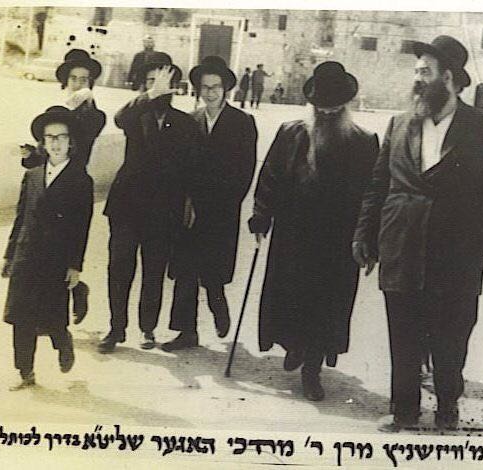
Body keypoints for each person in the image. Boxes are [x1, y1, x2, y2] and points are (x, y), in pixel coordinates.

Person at [353, 36, 483, 431]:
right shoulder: (399, 123)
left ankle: (447, 408)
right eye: (416, 71)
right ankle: (404, 411)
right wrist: (364, 235)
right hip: (401, 244)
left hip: (458, 250)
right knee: (403, 331)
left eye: (425, 72)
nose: (417, 79)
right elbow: (378, 184)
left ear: (448, 78)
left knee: (452, 334)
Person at [248, 62, 379, 401]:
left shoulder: (364, 142)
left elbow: (372, 194)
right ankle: (295, 346)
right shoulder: (290, 132)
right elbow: (270, 177)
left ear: (345, 106)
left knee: (325, 306)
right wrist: (260, 217)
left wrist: (367, 238)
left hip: (337, 242)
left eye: (334, 108)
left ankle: (312, 369)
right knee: (290, 298)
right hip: (293, 235)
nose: (327, 113)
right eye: (321, 107)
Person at [99, 53, 201, 353]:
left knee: (153, 272)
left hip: (163, 210)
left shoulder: (184, 123)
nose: (158, 87)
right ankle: (116, 328)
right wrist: (150, 95)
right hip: (126, 206)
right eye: (151, 81)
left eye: (163, 82)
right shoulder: (136, 115)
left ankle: (147, 328)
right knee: (119, 267)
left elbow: (190, 168)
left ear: (174, 86)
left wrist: (187, 204)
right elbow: (119, 119)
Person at [161, 56, 258, 351]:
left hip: (221, 210)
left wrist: (224, 204)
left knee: (212, 268)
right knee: (185, 270)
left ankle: (218, 303)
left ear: (226, 88)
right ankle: (186, 332)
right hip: (190, 209)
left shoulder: (242, 122)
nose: (210, 92)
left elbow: (245, 170)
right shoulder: (190, 121)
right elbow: (179, 166)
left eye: (216, 87)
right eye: (205, 87)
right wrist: (184, 202)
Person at [1, 106, 94, 390]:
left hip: (56, 259)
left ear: (71, 142)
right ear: (42, 142)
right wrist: (9, 255)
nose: (55, 143)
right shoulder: (32, 175)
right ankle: (25, 372)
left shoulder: (80, 180)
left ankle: (63, 342)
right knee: (21, 316)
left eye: (61, 137)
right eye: (50, 137)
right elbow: (21, 217)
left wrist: (75, 266)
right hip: (26, 254)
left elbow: (81, 227)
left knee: (52, 315)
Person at [21, 49, 106, 169]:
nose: (78, 84)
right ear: (66, 81)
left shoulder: (96, 116)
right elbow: (42, 154)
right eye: (73, 79)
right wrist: (29, 155)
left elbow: (85, 138)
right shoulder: (54, 111)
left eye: (83, 80)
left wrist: (89, 103)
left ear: (90, 83)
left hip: (75, 176)